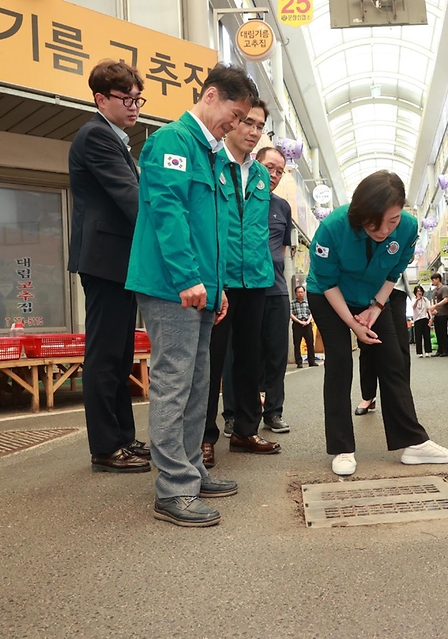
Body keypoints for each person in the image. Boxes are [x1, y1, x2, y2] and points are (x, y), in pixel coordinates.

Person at [125, 64, 257, 528]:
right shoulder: (173, 142)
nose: (237, 125)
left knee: (199, 384)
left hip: (199, 289)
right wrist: (186, 277)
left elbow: (215, 232)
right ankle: (172, 490)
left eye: (243, 119)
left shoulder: (212, 154)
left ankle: (191, 470)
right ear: (211, 95)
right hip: (170, 286)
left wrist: (217, 288)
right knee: (173, 382)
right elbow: (167, 211)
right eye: (235, 114)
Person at [306, 170, 448, 476]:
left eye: (392, 221)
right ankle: (342, 448)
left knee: (393, 360)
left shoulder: (408, 227)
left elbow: (394, 272)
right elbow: (326, 282)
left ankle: (413, 443)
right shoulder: (332, 228)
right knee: (339, 362)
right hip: (329, 295)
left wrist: (376, 307)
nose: (384, 230)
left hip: (375, 296)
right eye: (375, 222)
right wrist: (353, 323)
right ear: (361, 212)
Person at [68, 60, 150, 474]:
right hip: (104, 261)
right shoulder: (96, 135)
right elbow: (129, 196)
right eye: (127, 99)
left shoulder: (115, 139)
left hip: (118, 260)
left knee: (120, 355)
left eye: (138, 98)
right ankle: (105, 447)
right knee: (103, 356)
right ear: (101, 99)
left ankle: (123, 437)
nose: (135, 106)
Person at [202, 98, 280, 468]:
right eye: (247, 122)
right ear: (232, 121)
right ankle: (203, 436)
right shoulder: (211, 161)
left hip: (257, 278)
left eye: (259, 126)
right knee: (212, 360)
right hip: (221, 277)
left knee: (251, 358)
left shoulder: (263, 176)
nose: (252, 131)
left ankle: (246, 431)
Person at [257, 146, 295, 436]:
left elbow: (281, 249)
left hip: (278, 291)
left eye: (280, 170)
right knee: (243, 354)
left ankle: (274, 411)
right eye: (270, 167)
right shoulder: (242, 196)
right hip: (246, 287)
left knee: (277, 355)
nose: (274, 174)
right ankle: (235, 414)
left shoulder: (282, 206)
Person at [355, 276, 412, 415]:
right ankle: (368, 396)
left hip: (396, 289)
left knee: (400, 344)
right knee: (368, 342)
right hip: (370, 287)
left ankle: (401, 396)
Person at [290, 285, 318, 369]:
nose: (300, 294)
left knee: (310, 343)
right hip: (297, 324)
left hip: (307, 324)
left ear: (304, 293)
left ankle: (311, 361)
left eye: (302, 292)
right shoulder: (292, 303)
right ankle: (299, 362)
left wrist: (308, 321)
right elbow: (290, 314)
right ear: (295, 293)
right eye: (298, 292)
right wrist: (299, 321)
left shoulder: (308, 303)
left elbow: (311, 313)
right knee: (297, 344)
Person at [428, 272, 448, 357]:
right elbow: (433, 300)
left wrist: (436, 305)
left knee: (443, 331)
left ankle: (445, 350)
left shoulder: (444, 289)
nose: (433, 281)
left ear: (438, 279)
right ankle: (440, 349)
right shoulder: (435, 290)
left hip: (443, 312)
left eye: (433, 279)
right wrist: (433, 308)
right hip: (437, 313)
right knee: (437, 331)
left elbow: (446, 299)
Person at [411, 285, 432, 358]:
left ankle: (428, 351)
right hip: (417, 319)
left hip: (425, 318)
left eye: (420, 291)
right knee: (418, 336)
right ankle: (419, 352)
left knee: (426, 335)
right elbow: (413, 307)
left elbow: (428, 309)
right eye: (418, 291)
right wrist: (417, 299)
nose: (419, 293)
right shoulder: (413, 299)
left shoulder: (425, 300)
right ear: (415, 293)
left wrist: (431, 318)